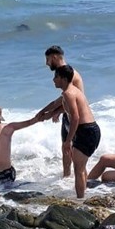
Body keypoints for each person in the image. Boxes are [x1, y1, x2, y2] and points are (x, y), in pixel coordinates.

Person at [36, 45, 85, 177]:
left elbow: (72, 100)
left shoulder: (69, 74)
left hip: (76, 117)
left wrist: (50, 112)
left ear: (54, 57)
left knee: (74, 151)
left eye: (47, 59)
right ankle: (66, 179)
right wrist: (57, 111)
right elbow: (65, 100)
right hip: (68, 115)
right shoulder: (62, 72)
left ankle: (77, 180)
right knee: (66, 149)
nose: (46, 63)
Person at [54, 64, 100, 198]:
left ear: (63, 79)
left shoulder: (68, 93)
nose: (53, 80)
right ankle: (84, 196)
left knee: (78, 170)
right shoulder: (73, 90)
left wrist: (68, 141)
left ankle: (80, 201)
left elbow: (75, 118)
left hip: (86, 131)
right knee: (81, 167)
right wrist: (44, 114)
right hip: (91, 130)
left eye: (56, 77)